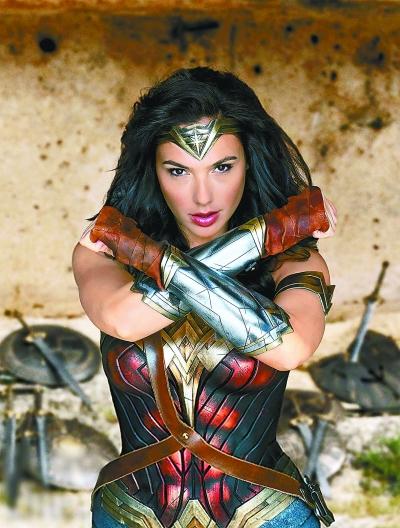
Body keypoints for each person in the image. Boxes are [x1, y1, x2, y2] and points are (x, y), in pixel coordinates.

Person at [72, 67, 338, 528]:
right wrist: (267, 233)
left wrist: (145, 252)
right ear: (153, 171)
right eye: (178, 170)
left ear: (249, 163)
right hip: (131, 514)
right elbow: (124, 319)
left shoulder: (293, 261)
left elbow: (289, 347)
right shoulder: (105, 255)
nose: (202, 196)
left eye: (222, 167)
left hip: (266, 515)